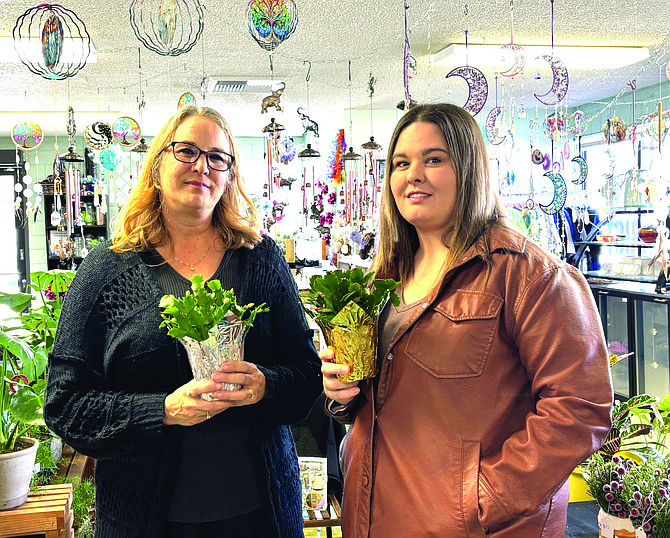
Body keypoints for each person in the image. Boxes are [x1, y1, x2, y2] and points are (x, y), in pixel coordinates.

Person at [321, 103, 613, 537]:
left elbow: (578, 410)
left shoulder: (530, 276)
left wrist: (481, 500)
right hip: (374, 515)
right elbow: (381, 399)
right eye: (401, 163)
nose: (413, 174)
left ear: (469, 167)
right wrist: (340, 392)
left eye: (433, 159)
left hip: (476, 528)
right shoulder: (379, 279)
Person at [45, 105, 322, 537]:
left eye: (217, 157)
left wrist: (265, 386)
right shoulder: (107, 271)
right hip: (144, 522)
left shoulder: (261, 260)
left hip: (261, 517)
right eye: (187, 150)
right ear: (157, 166)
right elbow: (66, 406)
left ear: (230, 176)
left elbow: (307, 377)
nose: (202, 166)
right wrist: (163, 411)